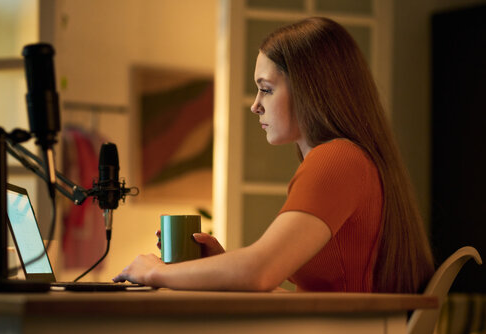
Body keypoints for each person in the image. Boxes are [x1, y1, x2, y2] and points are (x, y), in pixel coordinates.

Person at [113, 17, 435, 293]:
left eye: (266, 88)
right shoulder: (349, 158)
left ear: (311, 88)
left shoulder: (336, 160)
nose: (255, 105)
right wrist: (222, 266)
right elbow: (303, 294)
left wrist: (154, 271)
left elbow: (260, 271)